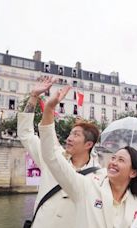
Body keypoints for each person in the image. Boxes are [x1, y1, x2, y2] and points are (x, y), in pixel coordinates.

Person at [38, 85, 137, 228]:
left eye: (121, 160)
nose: (113, 162)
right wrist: (49, 110)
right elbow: (52, 157)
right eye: (113, 158)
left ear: (133, 172)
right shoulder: (87, 187)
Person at [18, 76, 104, 228]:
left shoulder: (99, 177)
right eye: (70, 134)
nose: (69, 138)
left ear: (89, 144)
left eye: (76, 135)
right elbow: (26, 133)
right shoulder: (51, 156)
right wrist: (34, 97)